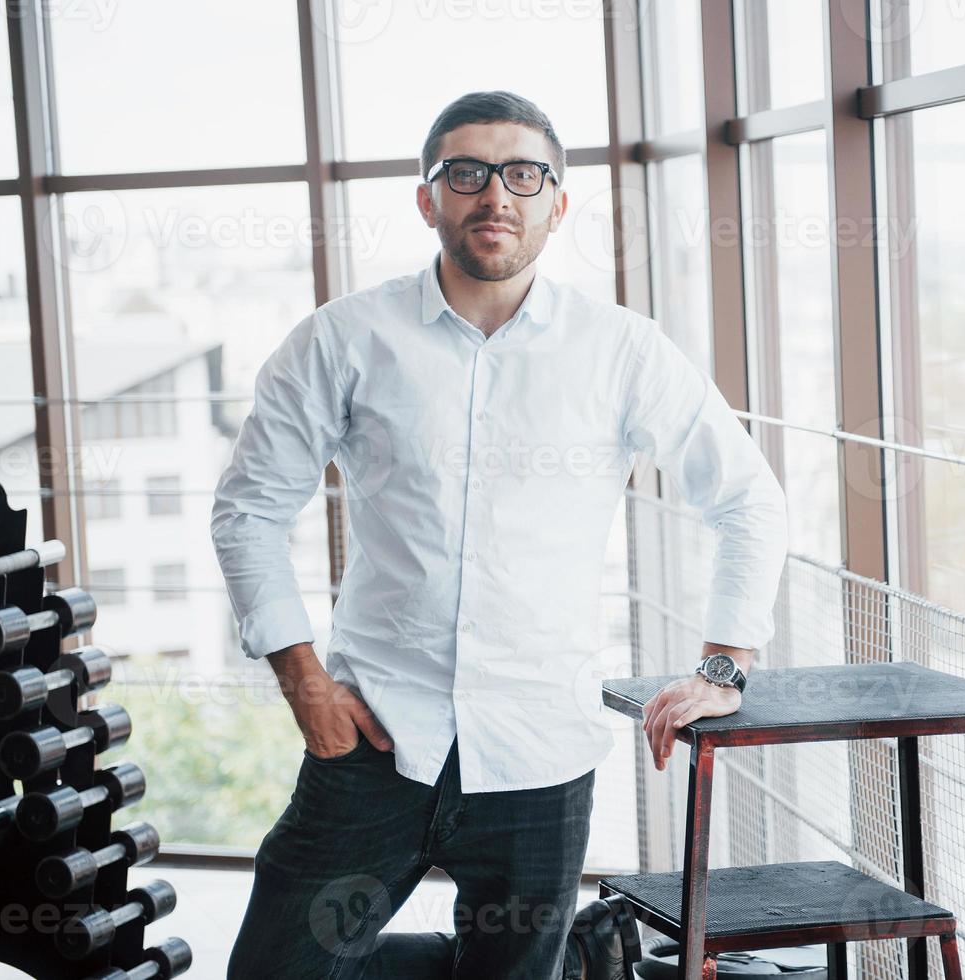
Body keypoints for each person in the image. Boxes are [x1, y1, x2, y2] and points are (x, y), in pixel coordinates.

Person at [212, 90, 789, 979]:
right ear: (427, 198)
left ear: (556, 205)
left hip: (537, 752)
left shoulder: (622, 350)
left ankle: (574, 958)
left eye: (523, 174)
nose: (495, 196)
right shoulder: (343, 339)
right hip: (372, 742)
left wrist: (722, 668)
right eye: (467, 173)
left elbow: (747, 498)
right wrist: (303, 682)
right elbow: (249, 508)